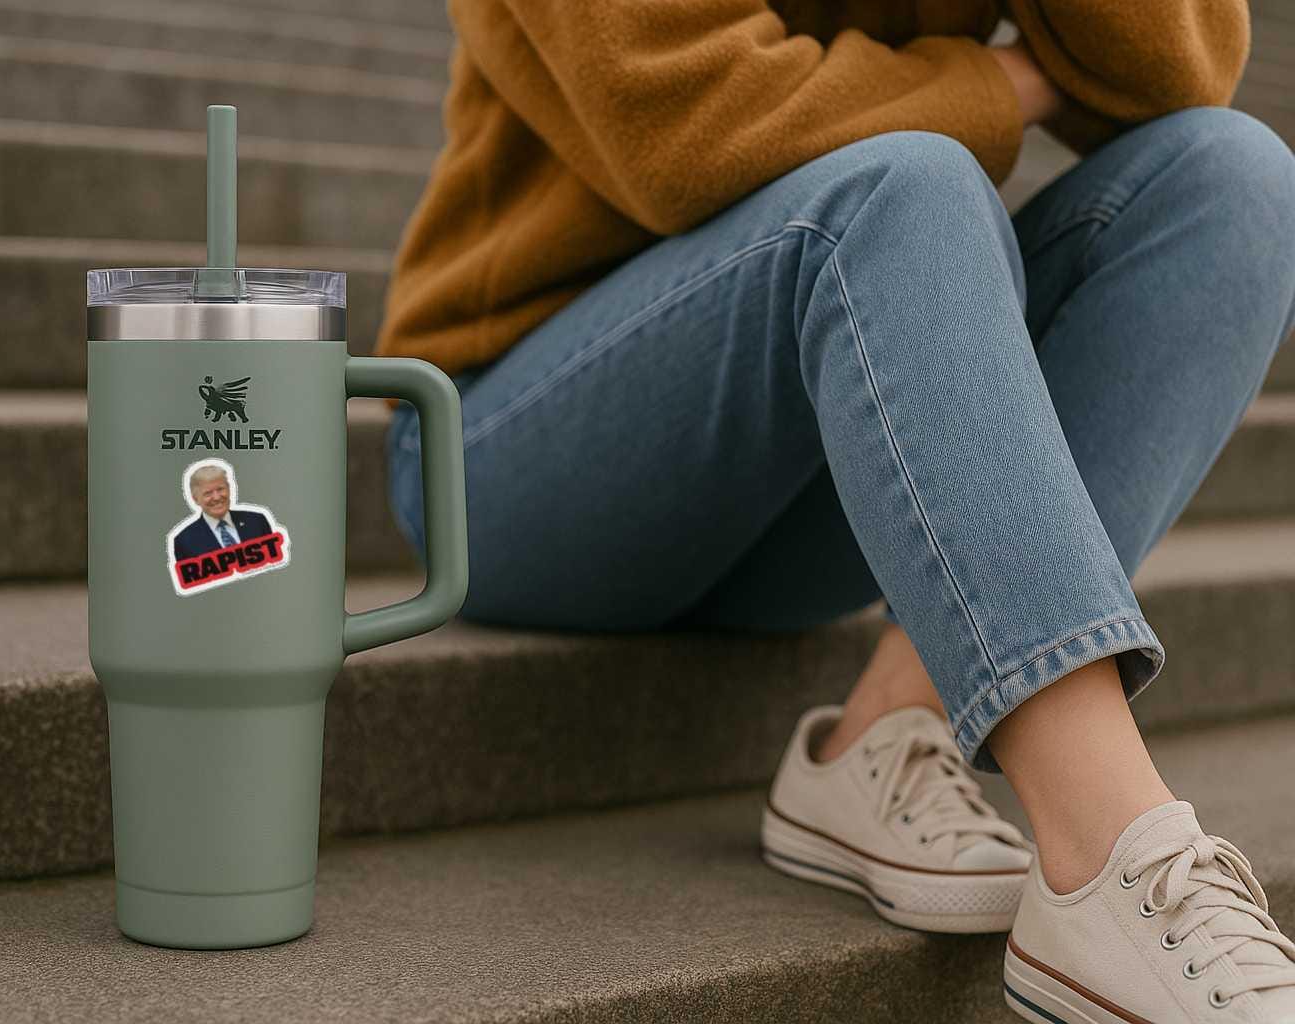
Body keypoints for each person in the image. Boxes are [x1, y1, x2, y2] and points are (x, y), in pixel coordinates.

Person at [379, 1, 1295, 1020]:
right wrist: (1009, 83)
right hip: (517, 456)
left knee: (1234, 180)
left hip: (798, 487)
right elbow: (689, 122)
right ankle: (1112, 853)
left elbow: (1183, 68)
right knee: (904, 186)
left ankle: (889, 726)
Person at [171, 462, 274, 561]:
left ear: (229, 489)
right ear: (195, 499)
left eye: (220, 489)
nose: (216, 497)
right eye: (208, 493)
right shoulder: (184, 541)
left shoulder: (257, 521)